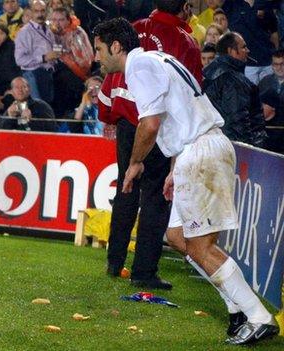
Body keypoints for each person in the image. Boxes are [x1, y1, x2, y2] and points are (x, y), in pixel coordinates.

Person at [93, 17, 280, 345]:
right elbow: (179, 113)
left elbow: (150, 124)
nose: (96, 57)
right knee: (178, 236)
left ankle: (258, 315)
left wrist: (135, 163)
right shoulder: (158, 59)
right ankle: (236, 310)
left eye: (98, 50)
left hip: (201, 150)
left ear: (116, 46)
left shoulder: (137, 67)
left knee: (200, 246)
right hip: (196, 149)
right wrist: (174, 168)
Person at [98, 0, 202, 291]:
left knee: (126, 189)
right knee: (156, 196)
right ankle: (143, 271)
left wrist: (108, 113)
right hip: (157, 125)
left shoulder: (135, 29)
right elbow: (192, 87)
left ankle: (115, 261)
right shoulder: (186, 42)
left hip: (126, 123)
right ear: (185, 8)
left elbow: (112, 76)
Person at [203, 32, 267, 148]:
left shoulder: (207, 72)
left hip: (210, 144)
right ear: (231, 51)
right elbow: (237, 121)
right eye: (243, 47)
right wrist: (246, 151)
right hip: (232, 149)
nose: (247, 50)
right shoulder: (233, 80)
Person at [15, 0, 58, 105]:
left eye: (42, 11)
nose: (40, 14)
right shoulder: (24, 32)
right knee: (38, 109)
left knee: (48, 108)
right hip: (33, 75)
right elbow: (19, 60)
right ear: (31, 12)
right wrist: (43, 58)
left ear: (47, 11)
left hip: (48, 74)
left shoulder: (49, 30)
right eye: (36, 11)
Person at [258, 49, 284, 153]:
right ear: (272, 65)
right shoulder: (265, 81)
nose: (279, 68)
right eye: (276, 64)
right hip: (268, 133)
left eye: (282, 64)